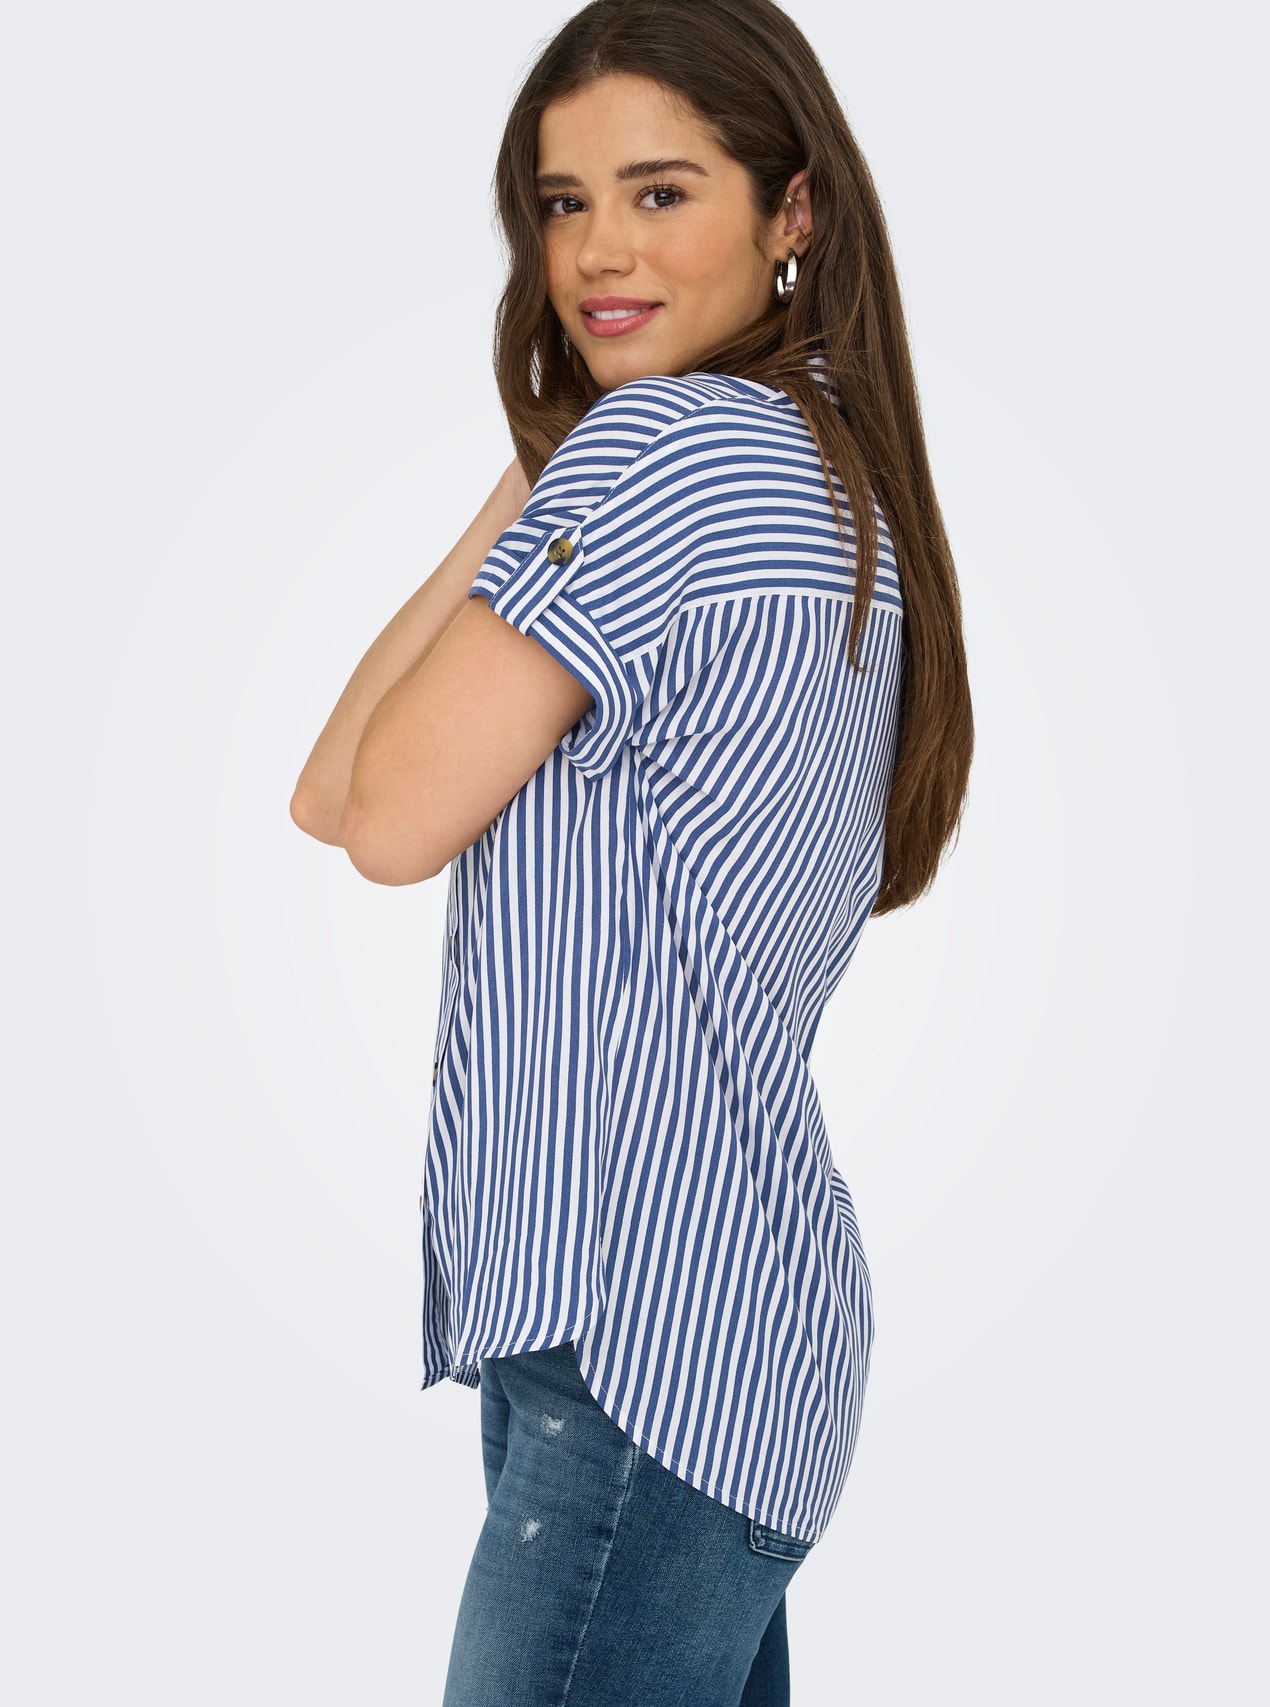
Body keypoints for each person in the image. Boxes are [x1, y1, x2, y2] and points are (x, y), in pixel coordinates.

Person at [290, 1, 974, 1700]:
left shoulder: (671, 455)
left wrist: (583, 451)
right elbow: (334, 789)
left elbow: (380, 820)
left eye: (662, 193)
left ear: (792, 210)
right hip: (719, 1335)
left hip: (641, 1351)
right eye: (562, 202)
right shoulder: (824, 473)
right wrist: (549, 467)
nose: (598, 250)